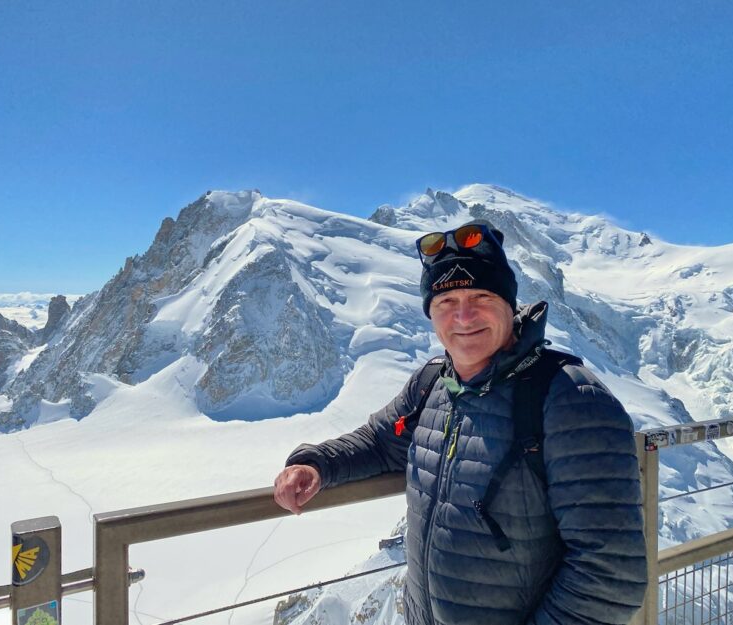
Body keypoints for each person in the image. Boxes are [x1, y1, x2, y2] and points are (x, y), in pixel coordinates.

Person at [274, 219, 647, 625]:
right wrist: (314, 463)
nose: (464, 316)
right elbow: (381, 442)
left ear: (509, 302)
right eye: (445, 303)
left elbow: (610, 574)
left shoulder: (571, 399)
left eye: (482, 296)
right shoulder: (433, 382)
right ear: (431, 314)